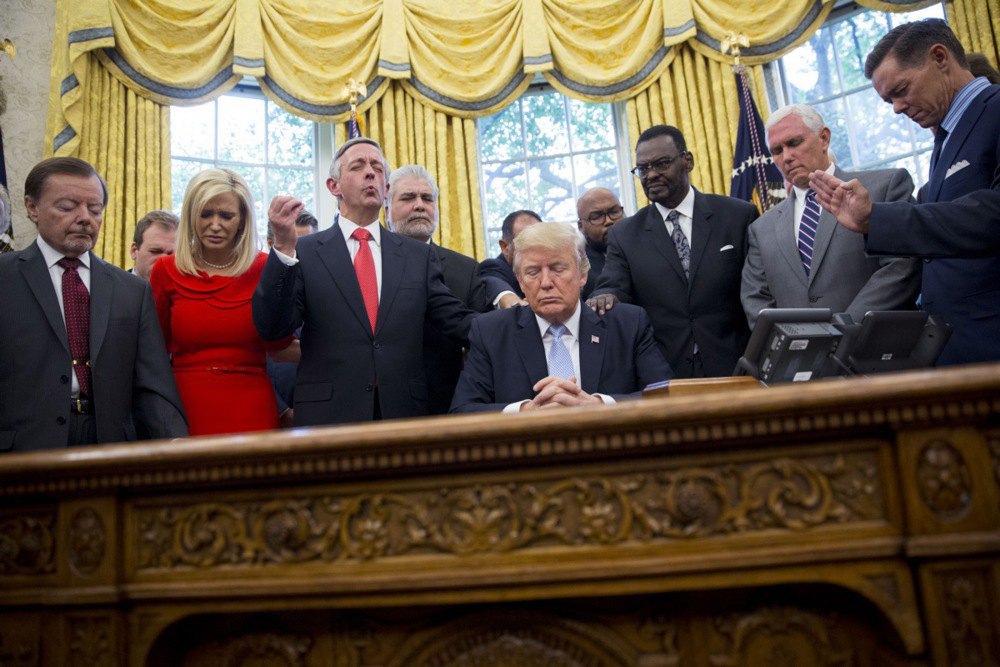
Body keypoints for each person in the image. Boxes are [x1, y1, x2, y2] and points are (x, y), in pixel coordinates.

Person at [810, 19, 1000, 365]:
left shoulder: (994, 109)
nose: (897, 108)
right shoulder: (946, 139)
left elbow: (993, 215)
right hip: (960, 351)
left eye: (901, 90)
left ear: (940, 57)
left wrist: (877, 218)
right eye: (888, 100)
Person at [253, 137, 477, 425]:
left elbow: (457, 319)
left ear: (385, 189)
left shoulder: (417, 256)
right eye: (358, 166)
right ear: (334, 186)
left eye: (377, 167)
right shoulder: (304, 252)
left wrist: (521, 322)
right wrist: (283, 250)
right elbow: (273, 328)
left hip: (404, 416)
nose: (370, 172)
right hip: (328, 418)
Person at [0, 157, 187, 451]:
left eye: (95, 209)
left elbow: (153, 386)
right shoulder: (4, 278)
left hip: (110, 448)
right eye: (67, 207)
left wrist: (176, 443)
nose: (85, 217)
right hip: (23, 453)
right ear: (32, 208)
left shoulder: (132, 291)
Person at [588, 125, 759, 378]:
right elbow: (612, 286)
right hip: (665, 372)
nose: (651, 175)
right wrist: (605, 295)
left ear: (687, 161)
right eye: (643, 169)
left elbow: (759, 289)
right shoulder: (624, 235)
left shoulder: (738, 215)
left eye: (661, 163)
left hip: (737, 365)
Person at [451, 222, 670, 413]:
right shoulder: (490, 332)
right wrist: (525, 411)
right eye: (533, 272)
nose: (546, 283)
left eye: (558, 269)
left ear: (582, 274)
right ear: (519, 281)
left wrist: (600, 406)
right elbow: (463, 411)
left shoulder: (628, 325)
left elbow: (666, 398)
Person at [741, 104, 920, 328]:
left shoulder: (883, 187)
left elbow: (901, 266)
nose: (786, 157)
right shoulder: (761, 228)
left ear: (824, 138)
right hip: (803, 358)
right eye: (777, 151)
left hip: (877, 350)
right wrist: (796, 342)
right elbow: (755, 298)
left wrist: (843, 330)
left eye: (794, 143)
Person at [150, 168, 294, 436]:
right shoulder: (165, 270)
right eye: (206, 214)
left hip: (253, 408)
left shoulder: (265, 267)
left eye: (226, 216)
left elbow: (279, 343)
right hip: (185, 410)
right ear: (192, 215)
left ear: (242, 220)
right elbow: (152, 354)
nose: (215, 225)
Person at [387, 164, 489, 414]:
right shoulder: (367, 261)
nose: (420, 205)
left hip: (447, 408)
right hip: (379, 411)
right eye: (408, 198)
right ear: (386, 208)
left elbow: (482, 338)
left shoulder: (466, 269)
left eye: (427, 198)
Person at [265, 210, 318, 428]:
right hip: (268, 413)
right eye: (296, 246)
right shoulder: (258, 289)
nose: (301, 253)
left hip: (318, 417)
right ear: (271, 243)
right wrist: (281, 410)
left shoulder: (326, 289)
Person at [478, 209, 541, 308]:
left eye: (540, 240)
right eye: (525, 242)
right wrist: (507, 296)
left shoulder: (550, 265)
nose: (536, 247)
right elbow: (491, 280)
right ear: (505, 247)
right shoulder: (494, 267)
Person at [576, 187, 624, 298]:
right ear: (581, 226)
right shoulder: (578, 265)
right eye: (597, 217)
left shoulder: (642, 246)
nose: (609, 221)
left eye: (614, 212)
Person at [130, 210, 178, 280]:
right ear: (134, 251)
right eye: (155, 251)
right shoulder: (111, 289)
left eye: (172, 255)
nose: (163, 262)